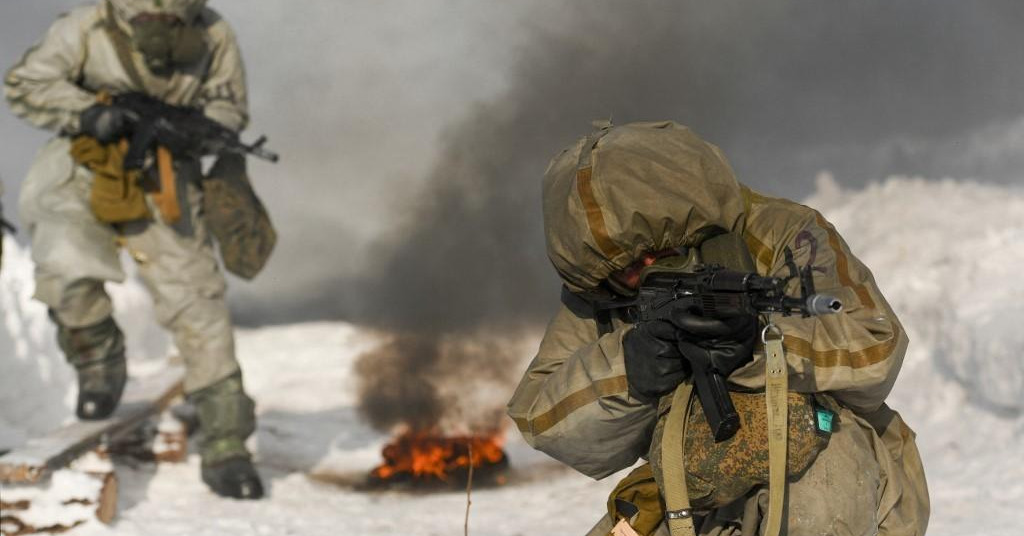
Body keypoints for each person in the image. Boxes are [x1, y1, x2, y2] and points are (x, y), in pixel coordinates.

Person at [508, 121, 929, 535]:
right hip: (696, 470)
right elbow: (539, 417)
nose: (650, 269)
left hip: (828, 452)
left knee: (815, 497)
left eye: (664, 250)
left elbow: (876, 345)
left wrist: (759, 345)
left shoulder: (780, 233)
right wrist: (630, 366)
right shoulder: (602, 288)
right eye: (632, 269)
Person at [5, 0, 266, 499]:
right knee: (63, 268)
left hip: (164, 172)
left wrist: (193, 128)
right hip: (83, 163)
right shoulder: (88, 25)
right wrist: (89, 112)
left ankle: (227, 442)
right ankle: (98, 359)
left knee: (197, 299)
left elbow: (230, 105)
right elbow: (24, 83)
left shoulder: (211, 31)